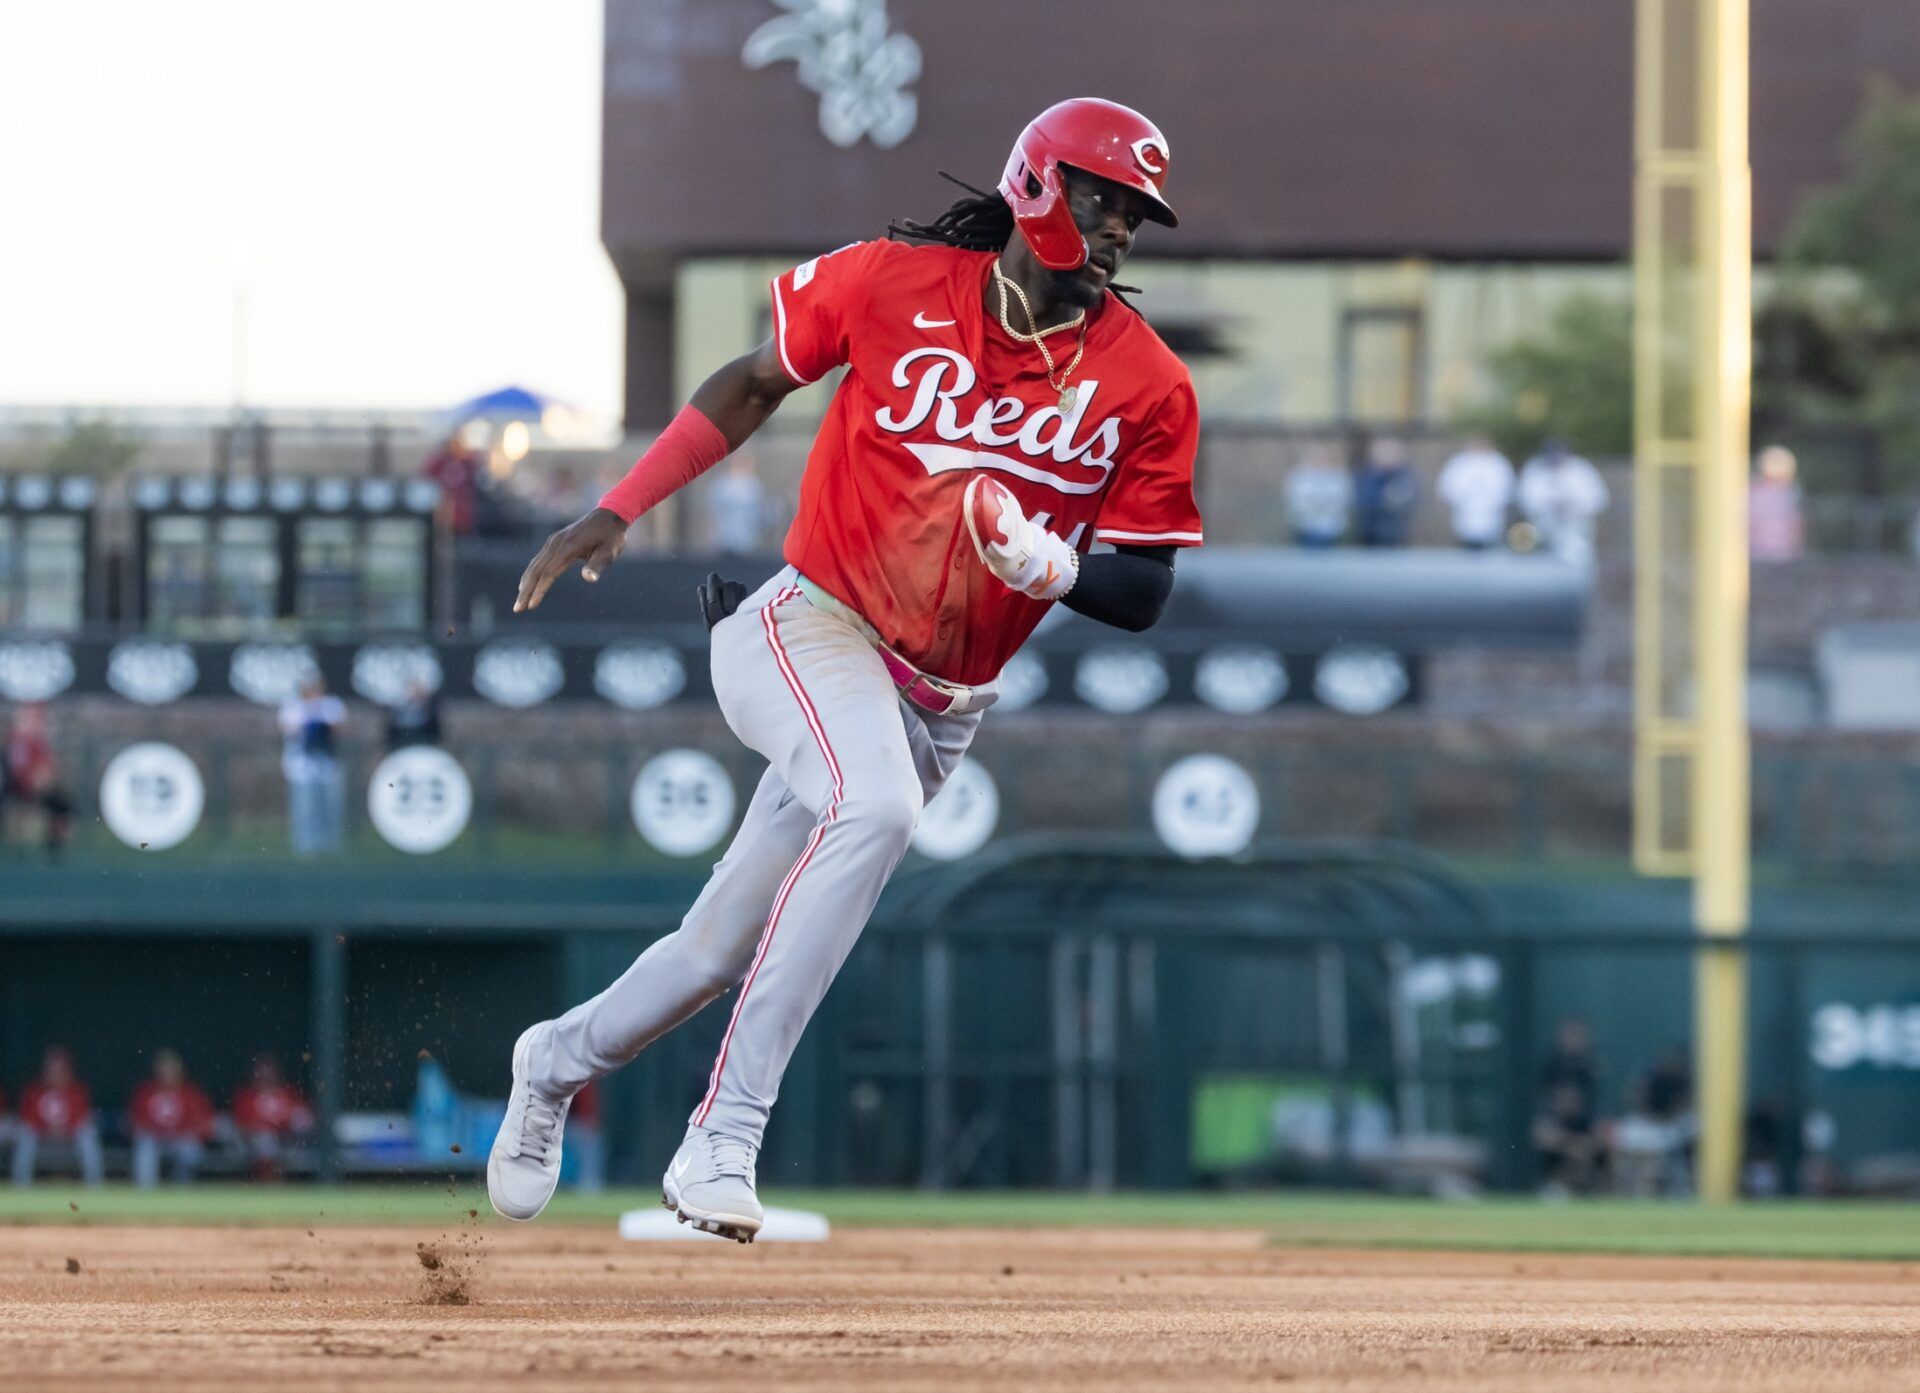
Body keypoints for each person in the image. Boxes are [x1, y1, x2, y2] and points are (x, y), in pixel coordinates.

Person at [490, 98, 1200, 1239]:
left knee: (717, 945)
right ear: (1037, 187)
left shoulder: (1149, 382)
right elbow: (754, 380)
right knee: (871, 805)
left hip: (942, 701)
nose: (1121, 227)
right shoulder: (890, 282)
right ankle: (725, 1136)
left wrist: (1051, 564)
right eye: (1104, 197)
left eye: (1136, 213)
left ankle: (552, 1061)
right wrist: (618, 507)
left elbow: (1147, 592)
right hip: (810, 625)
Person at [11, 1046, 104, 1187]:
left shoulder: (77, 1090)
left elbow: (81, 1117)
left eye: (59, 1069)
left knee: (88, 1133)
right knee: (26, 1135)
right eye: (52, 1069)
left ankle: (94, 1185)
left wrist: (65, 1129)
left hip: (70, 1137)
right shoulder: (34, 1091)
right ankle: (21, 1185)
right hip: (42, 1136)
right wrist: (46, 1128)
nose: (55, 1073)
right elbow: (28, 1118)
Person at [129, 1049, 217, 1188]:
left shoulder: (191, 1093)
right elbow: (135, 1122)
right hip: (156, 1140)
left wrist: (182, 1132)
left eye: (171, 1068)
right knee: (145, 1145)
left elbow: (204, 1124)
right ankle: (145, 1191)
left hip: (180, 1140)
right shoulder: (146, 1092)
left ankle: (182, 1189)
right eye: (163, 1068)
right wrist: (157, 1131)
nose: (167, 1073)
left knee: (190, 1152)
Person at [278, 674, 346, 855]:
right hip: (302, 765)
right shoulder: (293, 707)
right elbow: (290, 729)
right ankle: (306, 846)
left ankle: (330, 847)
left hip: (327, 763)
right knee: (305, 807)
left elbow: (337, 728)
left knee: (329, 806)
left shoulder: (331, 705)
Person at [1518, 438, 1609, 564]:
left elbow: (1599, 499)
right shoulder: (1535, 469)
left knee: (1577, 554)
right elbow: (1526, 500)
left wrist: (1574, 506)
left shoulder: (1582, 469)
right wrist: (1551, 505)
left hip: (1577, 526)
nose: (1555, 460)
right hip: (1544, 528)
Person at [2, 702, 74, 858]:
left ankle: (55, 851)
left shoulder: (37, 742)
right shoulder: (19, 741)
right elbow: (19, 771)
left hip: (36, 790)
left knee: (62, 806)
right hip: (18, 789)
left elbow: (48, 768)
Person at [230, 1053, 315, 1181]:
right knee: (265, 1142)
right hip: (253, 1144)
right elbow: (241, 1125)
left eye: (269, 1071)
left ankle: (282, 1181)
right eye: (262, 1072)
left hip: (288, 1141)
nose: (266, 1076)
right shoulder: (246, 1096)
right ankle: (268, 1182)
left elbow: (304, 1119)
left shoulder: (289, 1093)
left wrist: (284, 1126)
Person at [1435, 432, 1515, 550]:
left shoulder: (1498, 463)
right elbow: (1448, 487)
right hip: (1465, 515)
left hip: (1491, 516)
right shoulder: (1459, 463)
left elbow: (1506, 488)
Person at [1354, 436, 1418, 547]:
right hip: (1369, 533)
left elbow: (1414, 498)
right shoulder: (1368, 476)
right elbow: (1363, 499)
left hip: (1396, 534)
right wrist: (1384, 499)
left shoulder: (1405, 476)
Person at [1284, 444, 1352, 547]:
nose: (1319, 460)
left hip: (1332, 529)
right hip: (1305, 528)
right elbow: (1297, 501)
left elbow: (1341, 501)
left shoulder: (1337, 477)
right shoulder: (1300, 478)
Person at [1749, 444, 1805, 562]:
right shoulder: (1752, 492)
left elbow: (1797, 526)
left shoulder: (1791, 492)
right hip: (1757, 556)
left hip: (1785, 557)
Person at [707, 455, 771, 554]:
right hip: (725, 538)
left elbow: (759, 511)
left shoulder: (752, 484)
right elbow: (714, 513)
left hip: (747, 539)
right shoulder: (722, 484)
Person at [384, 677, 442, 751]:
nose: (414, 694)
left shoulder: (431, 715)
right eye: (411, 690)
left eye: (417, 690)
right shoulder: (394, 714)